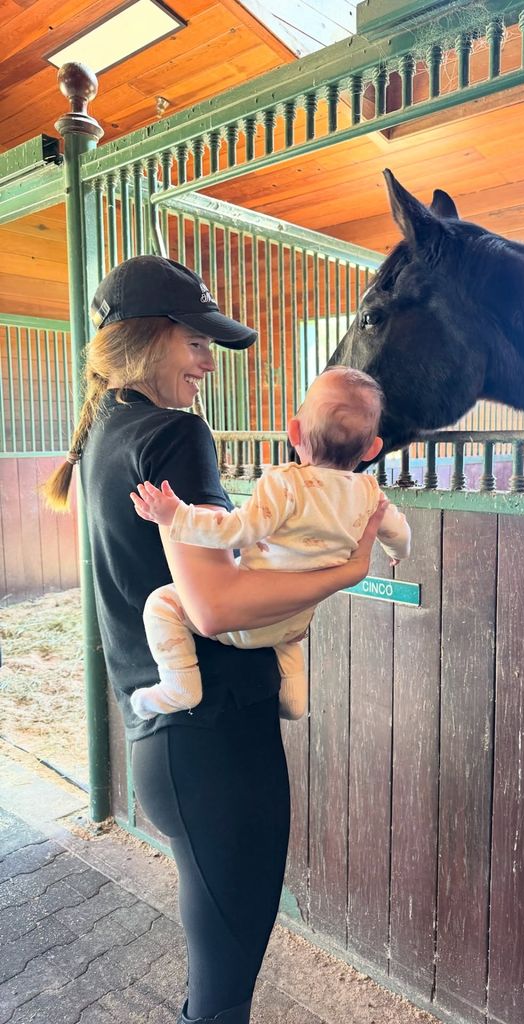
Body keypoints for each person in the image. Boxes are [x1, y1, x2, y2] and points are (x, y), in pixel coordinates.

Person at [42, 254, 388, 1024]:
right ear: (143, 341)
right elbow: (215, 607)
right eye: (192, 340)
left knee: (217, 979)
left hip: (165, 743)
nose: (207, 361)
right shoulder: (175, 433)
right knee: (226, 988)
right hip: (216, 745)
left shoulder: (107, 430)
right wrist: (345, 570)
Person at [128, 366, 411, 722]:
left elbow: (235, 531)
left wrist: (176, 516)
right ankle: (293, 701)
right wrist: (396, 553)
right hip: (294, 620)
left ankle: (179, 683)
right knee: (287, 631)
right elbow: (400, 533)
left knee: (161, 605)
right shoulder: (370, 493)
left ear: (294, 431)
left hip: (247, 620)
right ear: (372, 449)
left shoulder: (285, 484)